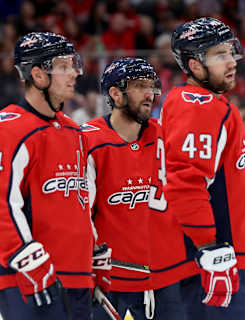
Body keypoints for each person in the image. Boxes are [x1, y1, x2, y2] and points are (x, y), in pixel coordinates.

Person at [0, 32, 108, 320]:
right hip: (29, 276)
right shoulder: (6, 128)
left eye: (74, 65)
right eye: (64, 66)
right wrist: (26, 256)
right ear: (38, 74)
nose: (74, 73)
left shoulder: (74, 132)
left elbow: (80, 201)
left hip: (77, 277)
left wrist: (92, 252)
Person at [158, 17, 245, 319]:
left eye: (230, 51)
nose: (231, 61)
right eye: (219, 55)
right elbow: (185, 183)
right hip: (215, 261)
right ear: (194, 65)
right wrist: (211, 249)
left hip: (227, 257)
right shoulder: (198, 105)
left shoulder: (207, 103)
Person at [84, 57, 186, 320]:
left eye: (152, 86)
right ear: (116, 94)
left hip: (162, 277)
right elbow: (80, 212)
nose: (150, 93)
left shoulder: (167, 135)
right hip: (107, 277)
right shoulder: (88, 141)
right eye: (140, 86)